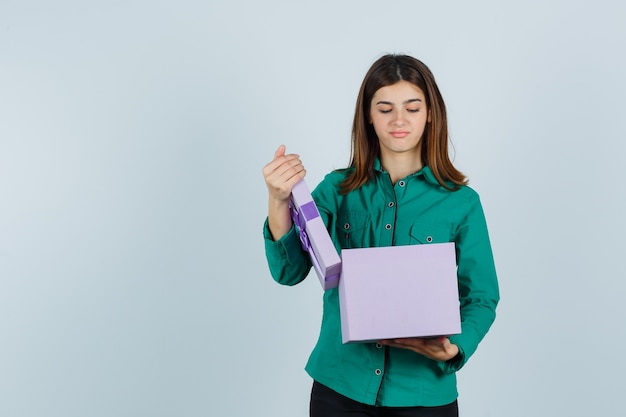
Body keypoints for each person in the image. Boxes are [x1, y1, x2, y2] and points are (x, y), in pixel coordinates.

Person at [261, 54, 499, 417]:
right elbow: (288, 272)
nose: (399, 120)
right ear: (369, 117)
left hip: (423, 393)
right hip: (339, 387)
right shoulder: (336, 189)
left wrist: (456, 347)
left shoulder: (461, 203)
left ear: (430, 113)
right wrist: (278, 199)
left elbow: (481, 296)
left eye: (412, 107)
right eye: (385, 108)